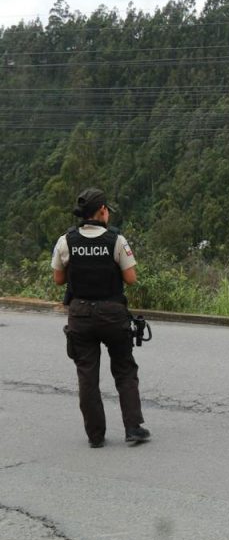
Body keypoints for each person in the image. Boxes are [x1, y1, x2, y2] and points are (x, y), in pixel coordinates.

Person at [51, 188, 150, 448]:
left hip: (80, 314)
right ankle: (132, 428)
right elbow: (131, 279)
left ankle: (95, 436)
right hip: (112, 313)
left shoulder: (66, 240)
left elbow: (59, 279)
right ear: (103, 210)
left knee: (87, 375)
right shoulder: (116, 239)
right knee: (125, 369)